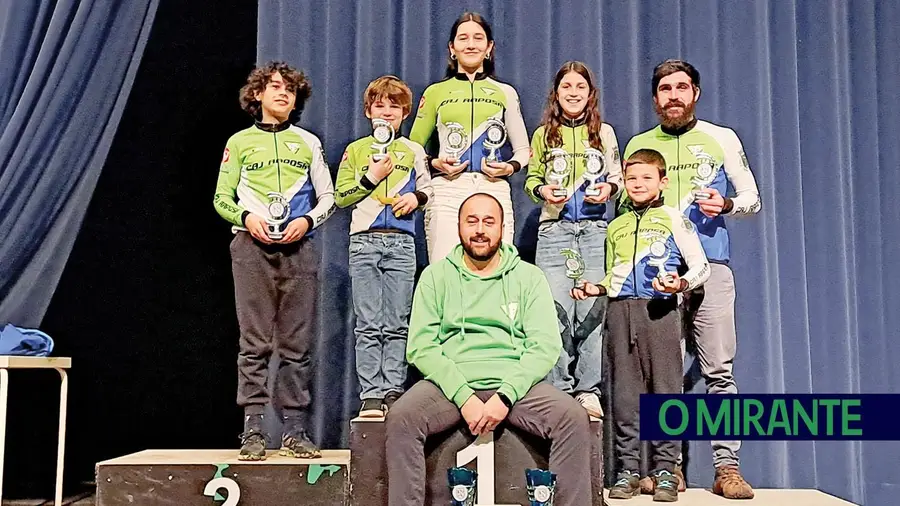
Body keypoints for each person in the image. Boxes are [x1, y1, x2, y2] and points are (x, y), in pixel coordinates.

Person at [386, 193, 593, 506]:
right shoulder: (436, 276)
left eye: (488, 222)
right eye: (471, 221)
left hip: (515, 386)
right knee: (401, 417)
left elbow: (545, 346)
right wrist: (463, 396)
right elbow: (421, 346)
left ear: (502, 228)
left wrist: (506, 396)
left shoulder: (528, 277)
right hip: (451, 385)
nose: (480, 230)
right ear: (459, 226)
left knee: (573, 418)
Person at [621, 59, 761, 498]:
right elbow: (627, 212)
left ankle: (727, 468)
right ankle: (670, 468)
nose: (674, 96)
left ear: (695, 93)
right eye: (665, 89)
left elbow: (752, 198)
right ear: (655, 98)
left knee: (719, 371)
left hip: (711, 268)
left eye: (682, 87)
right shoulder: (639, 144)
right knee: (666, 375)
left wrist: (728, 205)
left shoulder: (722, 137)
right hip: (657, 275)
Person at [213, 61, 335, 461]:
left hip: (300, 249)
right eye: (276, 87)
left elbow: (329, 197)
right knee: (255, 343)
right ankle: (253, 429)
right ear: (258, 94)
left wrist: (307, 221)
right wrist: (247, 218)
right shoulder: (239, 142)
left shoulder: (308, 142)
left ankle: (295, 430)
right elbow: (221, 198)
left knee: (297, 344)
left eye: (291, 90)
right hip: (251, 249)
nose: (284, 94)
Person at [573, 149, 710, 503]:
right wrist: (596, 288)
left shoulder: (674, 219)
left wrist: (681, 284)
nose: (638, 184)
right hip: (620, 313)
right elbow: (614, 275)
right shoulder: (615, 226)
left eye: (647, 178)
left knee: (665, 393)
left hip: (659, 312)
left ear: (663, 182)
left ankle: (665, 470)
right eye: (631, 178)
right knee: (624, 396)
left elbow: (702, 267)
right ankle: (628, 470)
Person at [524, 61, 623, 418]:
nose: (573, 93)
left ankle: (588, 389)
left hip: (595, 231)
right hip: (555, 230)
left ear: (590, 94)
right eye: (566, 86)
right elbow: (531, 180)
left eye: (580, 86)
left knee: (593, 312)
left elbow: (618, 179)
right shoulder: (543, 135)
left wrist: (609, 190)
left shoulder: (605, 134)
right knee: (556, 312)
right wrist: (543, 191)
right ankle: (558, 388)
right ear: (556, 93)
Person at [335, 75, 433, 418]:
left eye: (395, 106)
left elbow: (428, 190)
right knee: (368, 322)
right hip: (364, 241)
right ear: (368, 111)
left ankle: (393, 388)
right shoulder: (356, 150)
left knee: (396, 322)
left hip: (402, 243)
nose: (387, 112)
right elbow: (341, 196)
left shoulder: (413, 151)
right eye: (380, 106)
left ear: (405, 113)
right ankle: (371, 394)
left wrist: (415, 198)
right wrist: (371, 178)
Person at [410, 11, 530, 263]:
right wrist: (435, 164)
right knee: (444, 271)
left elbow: (523, 150)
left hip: (493, 187)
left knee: (498, 272)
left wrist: (508, 168)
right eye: (463, 38)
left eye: (478, 38)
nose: (471, 44)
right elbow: (411, 150)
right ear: (452, 48)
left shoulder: (506, 93)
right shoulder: (435, 92)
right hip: (447, 190)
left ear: (489, 47)